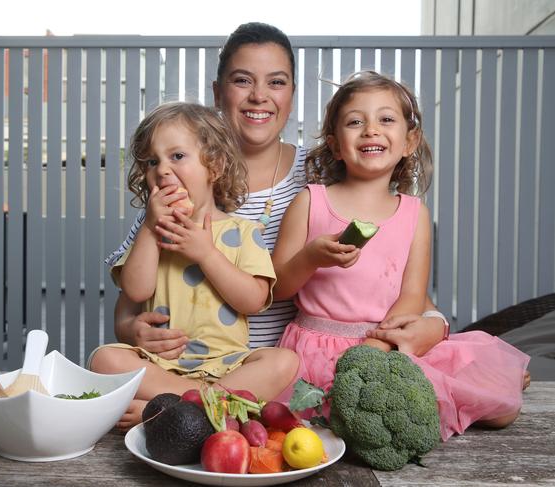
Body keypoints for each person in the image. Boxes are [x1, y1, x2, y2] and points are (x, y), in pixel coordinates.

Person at [100, 22, 449, 370]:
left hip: (290, 368)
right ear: (218, 92)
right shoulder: (176, 185)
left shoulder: (321, 179)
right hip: (183, 362)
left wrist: (435, 323)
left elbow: (385, 274)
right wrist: (132, 330)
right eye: (242, 80)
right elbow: (128, 306)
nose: (259, 95)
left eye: (276, 82)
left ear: (292, 94)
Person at [272, 71, 530, 440]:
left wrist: (377, 347)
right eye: (355, 121)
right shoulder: (310, 202)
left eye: (386, 119)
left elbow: (412, 295)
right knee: (321, 424)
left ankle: (498, 383)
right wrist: (311, 258)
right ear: (334, 144)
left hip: (389, 342)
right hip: (315, 348)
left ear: (410, 142)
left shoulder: (415, 213)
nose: (371, 130)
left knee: (501, 408)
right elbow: (277, 288)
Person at [89, 101, 299, 428]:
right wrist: (148, 228)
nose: (162, 169)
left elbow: (254, 300)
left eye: (177, 156)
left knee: (284, 361)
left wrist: (206, 254)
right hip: (163, 364)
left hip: (228, 366)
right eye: (152, 161)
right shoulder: (151, 234)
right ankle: (205, 403)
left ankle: (175, 406)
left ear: (213, 167)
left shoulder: (243, 233)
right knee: (103, 359)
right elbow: (135, 289)